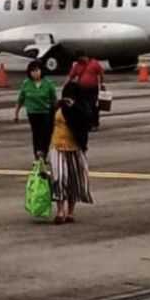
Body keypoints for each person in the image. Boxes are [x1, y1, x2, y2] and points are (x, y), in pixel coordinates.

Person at [50, 82, 94, 224]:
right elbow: (47, 127)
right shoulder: (58, 106)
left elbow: (86, 122)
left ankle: (70, 212)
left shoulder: (82, 107)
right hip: (57, 146)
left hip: (75, 147)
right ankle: (60, 211)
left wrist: (73, 107)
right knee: (59, 178)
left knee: (74, 181)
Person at [14, 60, 58, 159]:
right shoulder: (26, 84)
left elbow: (54, 100)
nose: (35, 73)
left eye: (37, 70)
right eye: (32, 71)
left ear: (41, 71)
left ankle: (43, 153)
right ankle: (37, 156)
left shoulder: (48, 83)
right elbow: (20, 99)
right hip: (33, 113)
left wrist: (57, 114)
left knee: (46, 134)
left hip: (46, 112)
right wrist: (16, 113)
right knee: (36, 134)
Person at [67, 50, 105, 130]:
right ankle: (87, 123)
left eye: (80, 58)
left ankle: (94, 123)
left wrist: (102, 84)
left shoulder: (94, 63)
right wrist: (67, 86)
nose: (79, 60)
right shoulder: (77, 66)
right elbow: (71, 76)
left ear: (84, 56)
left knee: (93, 106)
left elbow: (101, 73)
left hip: (93, 89)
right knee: (84, 107)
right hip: (82, 89)